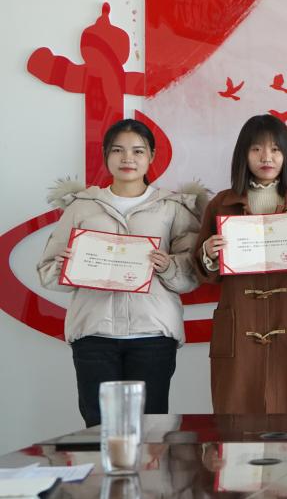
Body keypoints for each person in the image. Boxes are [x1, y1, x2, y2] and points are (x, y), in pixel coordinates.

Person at [38, 119, 204, 426]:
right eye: (118, 150)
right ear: (106, 155)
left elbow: (193, 275)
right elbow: (47, 271)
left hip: (153, 334)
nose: (128, 158)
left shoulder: (172, 207)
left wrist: (168, 265)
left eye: (138, 151)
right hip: (94, 334)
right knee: (100, 428)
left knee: (150, 430)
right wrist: (66, 265)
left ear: (152, 156)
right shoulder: (81, 207)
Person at [193, 114, 287, 414]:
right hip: (240, 325)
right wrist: (208, 252)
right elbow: (203, 272)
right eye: (256, 149)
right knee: (237, 417)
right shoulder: (221, 203)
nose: (266, 157)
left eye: (276, 149)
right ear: (243, 154)